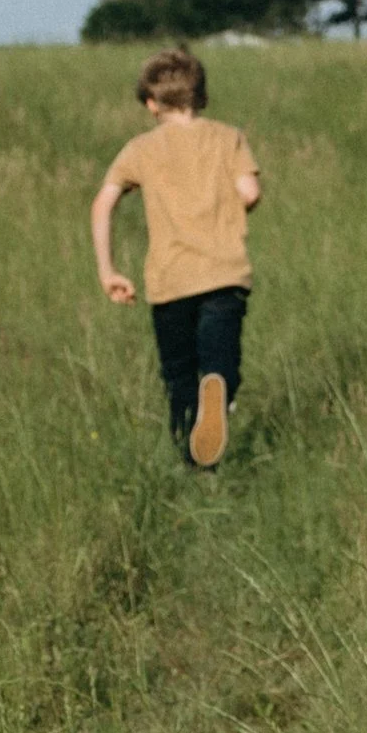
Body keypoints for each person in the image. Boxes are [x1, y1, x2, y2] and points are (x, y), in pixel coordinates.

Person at [90, 47, 262, 470]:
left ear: (151, 104)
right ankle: (219, 391)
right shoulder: (228, 138)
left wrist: (108, 269)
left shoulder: (141, 149)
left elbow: (103, 203)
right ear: (201, 97)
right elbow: (249, 193)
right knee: (220, 363)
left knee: (179, 375)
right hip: (224, 274)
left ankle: (195, 465)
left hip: (170, 281)